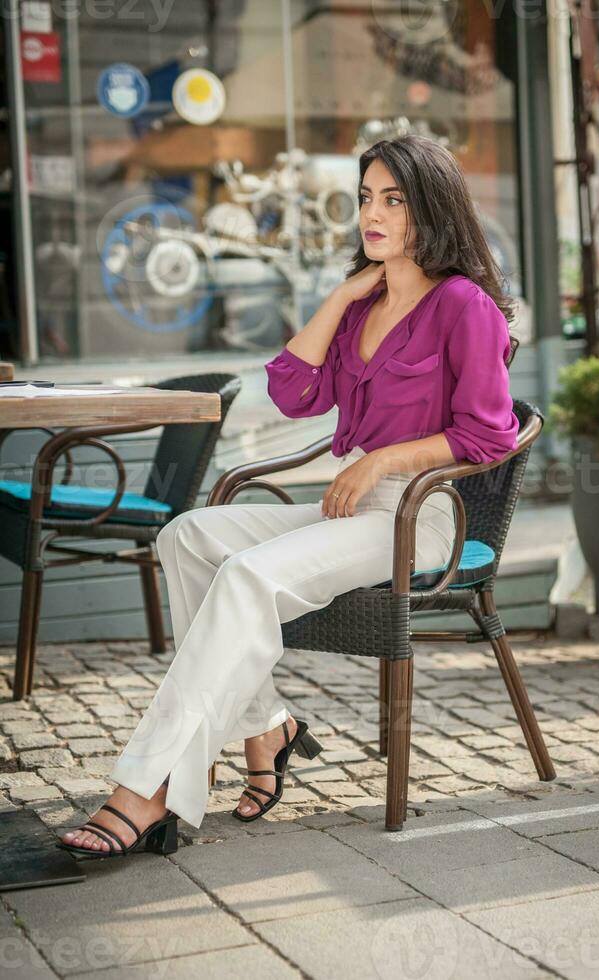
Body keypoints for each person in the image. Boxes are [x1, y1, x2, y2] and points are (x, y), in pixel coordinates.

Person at [58, 134, 520, 858]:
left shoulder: (464, 306)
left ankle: (146, 791)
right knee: (187, 536)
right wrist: (341, 296)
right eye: (366, 198)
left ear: (430, 211)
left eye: (394, 200)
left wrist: (383, 462)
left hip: (419, 515)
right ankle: (267, 725)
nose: (374, 213)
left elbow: (490, 436)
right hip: (356, 511)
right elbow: (292, 390)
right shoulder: (363, 306)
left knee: (247, 576)